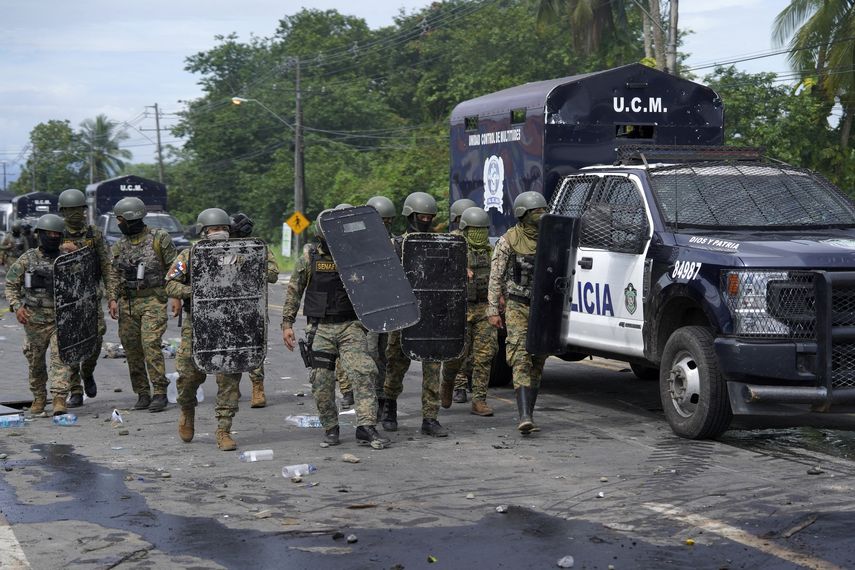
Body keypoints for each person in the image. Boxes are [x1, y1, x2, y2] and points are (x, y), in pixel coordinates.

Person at [281, 209, 389, 448]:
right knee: (321, 380)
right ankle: (330, 427)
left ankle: (367, 426)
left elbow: (378, 287)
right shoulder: (310, 258)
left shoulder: (356, 256)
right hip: (321, 328)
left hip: (351, 325)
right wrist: (287, 324)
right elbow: (294, 292)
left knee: (363, 372)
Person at [165, 208, 243, 451]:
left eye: (223, 228)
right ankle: (187, 411)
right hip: (197, 326)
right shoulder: (190, 255)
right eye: (213, 229)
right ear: (204, 231)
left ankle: (224, 430)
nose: (219, 232)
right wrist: (193, 292)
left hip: (230, 326)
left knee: (229, 379)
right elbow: (170, 283)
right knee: (188, 376)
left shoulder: (239, 254)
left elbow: (261, 277)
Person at [381, 191, 448, 437]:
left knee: (433, 367)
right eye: (422, 216)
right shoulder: (397, 245)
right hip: (404, 314)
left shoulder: (441, 244)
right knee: (396, 365)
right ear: (411, 216)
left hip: (431, 315)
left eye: (430, 216)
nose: (426, 220)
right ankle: (389, 406)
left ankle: (430, 418)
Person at [107, 197, 177, 412]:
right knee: (132, 349)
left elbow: (174, 269)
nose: (119, 224)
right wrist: (112, 298)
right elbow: (114, 274)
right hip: (128, 302)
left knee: (150, 344)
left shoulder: (159, 238)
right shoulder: (119, 246)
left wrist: (175, 296)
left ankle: (159, 392)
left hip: (153, 299)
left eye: (120, 220)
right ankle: (142, 392)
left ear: (129, 218)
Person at [487, 191, 549, 434]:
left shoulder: (552, 237)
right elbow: (496, 275)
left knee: (538, 358)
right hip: (517, 305)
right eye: (536, 211)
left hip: (544, 307)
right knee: (520, 355)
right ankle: (524, 416)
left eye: (543, 210)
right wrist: (493, 308)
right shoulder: (509, 240)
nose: (541, 215)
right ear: (523, 214)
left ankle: (530, 412)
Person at [4, 214, 76, 415]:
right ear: (39, 235)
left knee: (60, 358)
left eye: (57, 234)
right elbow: (11, 285)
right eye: (49, 233)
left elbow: (84, 279)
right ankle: (39, 398)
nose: (53, 237)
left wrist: (78, 254)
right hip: (34, 320)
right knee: (35, 363)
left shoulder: (66, 259)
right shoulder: (27, 260)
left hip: (60, 318)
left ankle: (59, 399)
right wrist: (17, 306)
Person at [57, 188, 115, 408]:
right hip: (66, 300)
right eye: (69, 210)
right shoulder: (56, 233)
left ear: (84, 210)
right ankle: (75, 390)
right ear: (62, 212)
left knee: (96, 339)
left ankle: (88, 371)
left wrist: (112, 297)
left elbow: (106, 266)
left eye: (78, 209)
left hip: (90, 297)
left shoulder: (94, 234)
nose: (74, 213)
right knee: (69, 344)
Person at [440, 206, 497, 416]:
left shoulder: (491, 251)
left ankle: (479, 400)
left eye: (483, 229)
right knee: (457, 353)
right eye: (475, 229)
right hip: (460, 308)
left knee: (485, 354)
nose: (479, 234)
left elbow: (499, 276)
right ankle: (448, 381)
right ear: (464, 228)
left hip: (484, 308)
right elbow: (438, 274)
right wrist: (457, 269)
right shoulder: (453, 247)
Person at [230, 212, 280, 408]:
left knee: (254, 348)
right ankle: (231, 388)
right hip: (226, 306)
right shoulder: (221, 248)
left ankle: (257, 387)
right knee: (230, 349)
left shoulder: (258, 248)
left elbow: (273, 274)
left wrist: (248, 265)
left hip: (252, 306)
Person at [446, 197, 478, 404]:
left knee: (475, 350)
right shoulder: (451, 241)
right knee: (459, 347)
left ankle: (464, 381)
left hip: (477, 301)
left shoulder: (478, 241)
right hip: (457, 303)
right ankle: (457, 385)